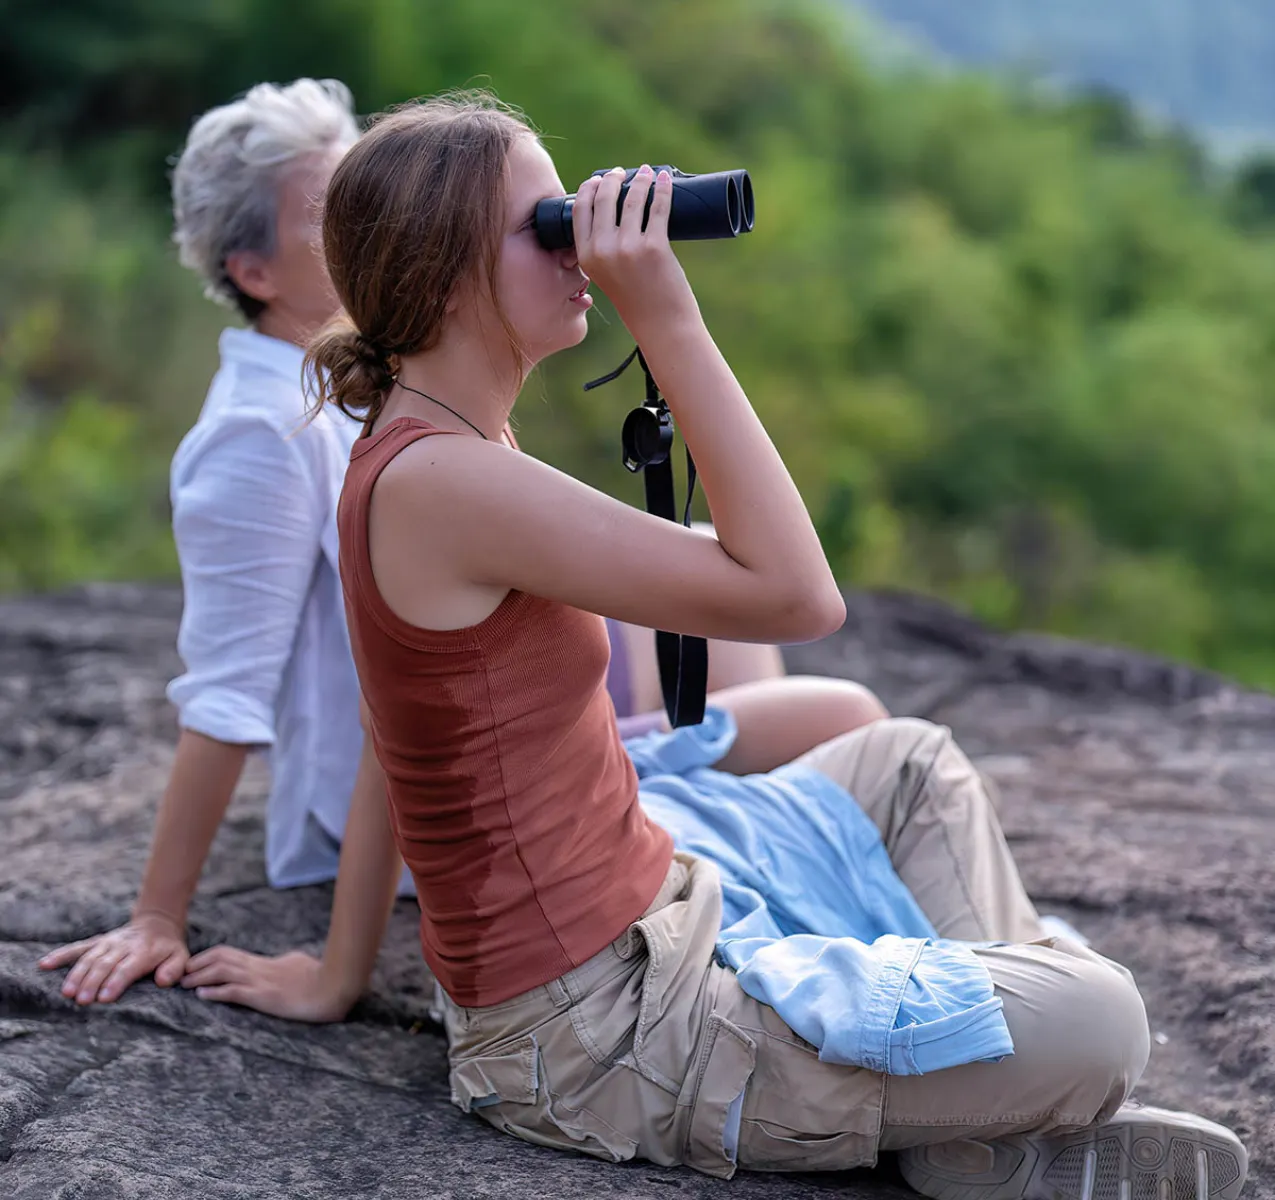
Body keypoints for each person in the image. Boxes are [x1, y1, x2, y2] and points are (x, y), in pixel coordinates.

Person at [191, 91, 1244, 1200]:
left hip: (660, 902)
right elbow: (797, 593)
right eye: (549, 222)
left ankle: (979, 1114)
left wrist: (337, 974)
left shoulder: (443, 442)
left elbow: (388, 737)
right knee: (1104, 1018)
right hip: (599, 1037)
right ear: (450, 275)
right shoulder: (443, 481)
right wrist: (671, 321)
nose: (587, 239)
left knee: (906, 763)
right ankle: (1000, 1100)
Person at [36, 78, 887, 1010]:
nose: (378, 224)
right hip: (467, 779)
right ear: (254, 274)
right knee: (838, 715)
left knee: (721, 614)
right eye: (333, 217)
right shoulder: (259, 438)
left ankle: (735, 838)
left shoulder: (389, 396)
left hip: (479, 694)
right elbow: (227, 695)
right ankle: (751, 852)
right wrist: (159, 915)